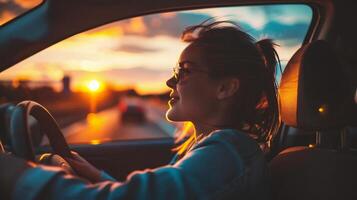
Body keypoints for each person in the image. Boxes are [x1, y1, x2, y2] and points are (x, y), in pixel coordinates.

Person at [0, 19, 280, 200]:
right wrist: (95, 176)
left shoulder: (227, 151)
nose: (171, 81)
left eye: (185, 71)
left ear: (225, 88)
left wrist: (17, 175)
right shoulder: (214, 149)